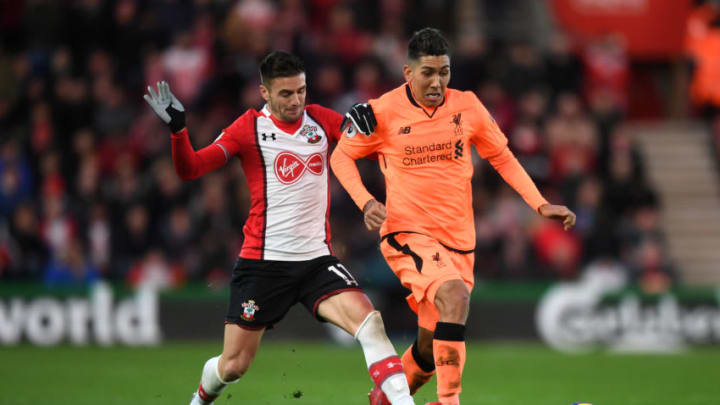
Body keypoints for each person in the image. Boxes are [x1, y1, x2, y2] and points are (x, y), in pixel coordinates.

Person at [144, 51, 416, 405]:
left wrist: (373, 120)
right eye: (286, 94)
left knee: (371, 324)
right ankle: (199, 400)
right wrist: (179, 131)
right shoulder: (248, 128)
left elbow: (368, 141)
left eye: (301, 91)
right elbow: (191, 169)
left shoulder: (320, 120)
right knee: (233, 366)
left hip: (317, 261)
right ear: (265, 93)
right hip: (263, 265)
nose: (296, 100)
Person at [330, 28, 576, 405]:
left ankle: (380, 402)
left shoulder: (468, 106)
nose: (437, 81)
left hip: (459, 239)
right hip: (407, 232)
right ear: (408, 73)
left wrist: (539, 203)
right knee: (455, 298)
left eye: (444, 71)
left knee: (429, 347)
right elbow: (341, 156)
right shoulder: (382, 111)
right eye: (428, 72)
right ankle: (449, 401)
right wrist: (366, 202)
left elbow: (502, 156)